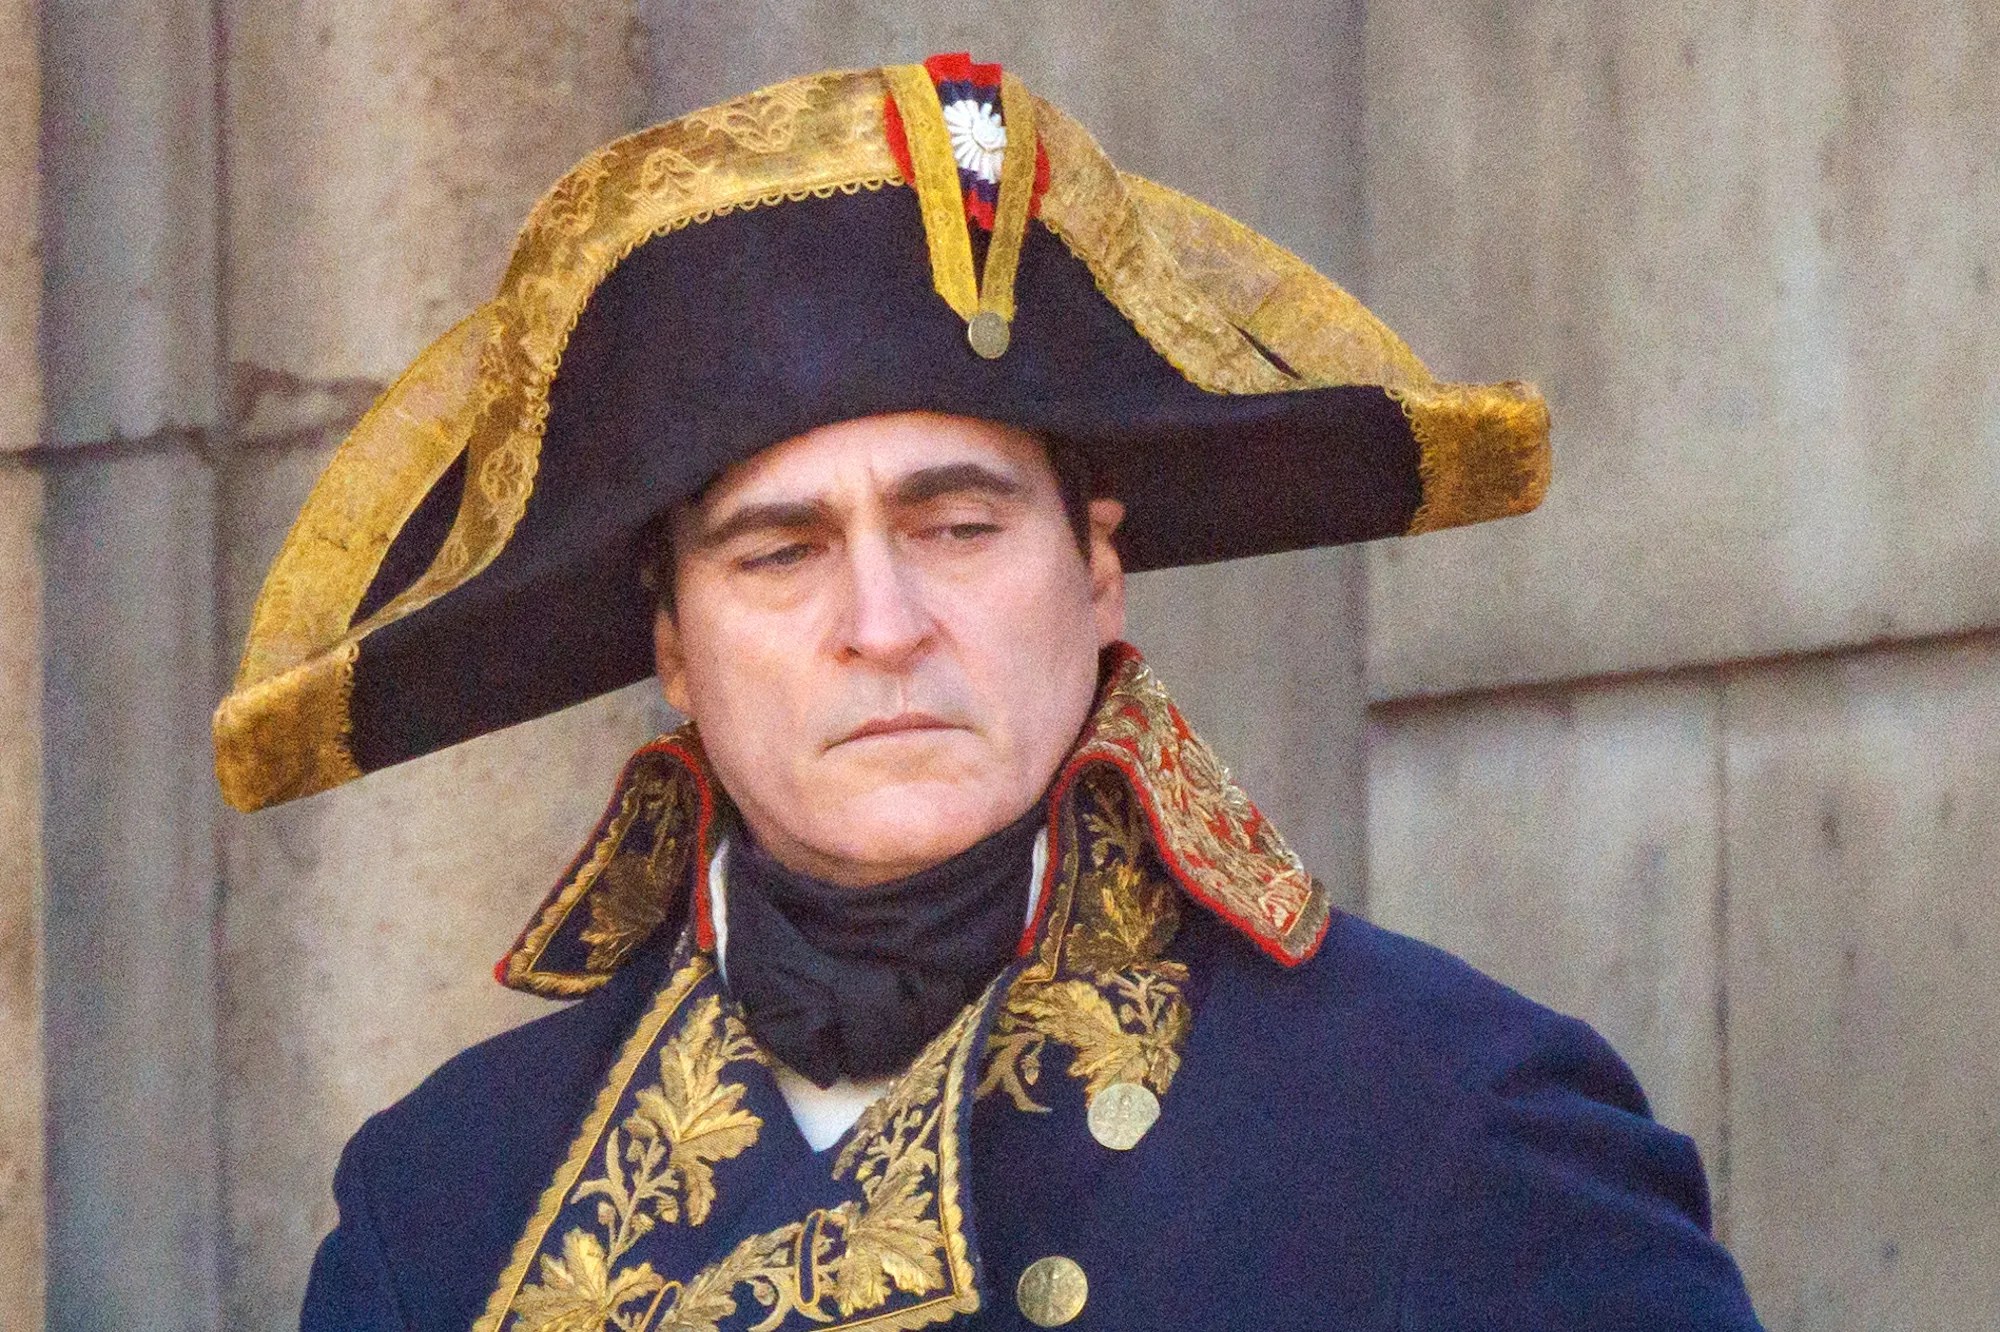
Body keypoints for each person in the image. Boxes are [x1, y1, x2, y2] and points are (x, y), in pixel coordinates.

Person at [216, 54, 1765, 1331]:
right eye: (780, 554)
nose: (883, 625)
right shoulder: (448, 1206)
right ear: (675, 646)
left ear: (1097, 570)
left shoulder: (1444, 1124)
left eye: (957, 527)